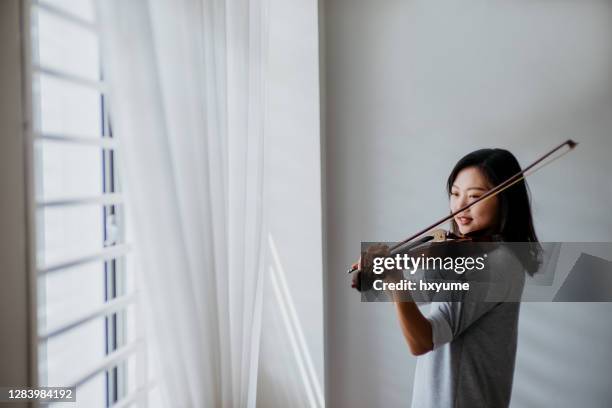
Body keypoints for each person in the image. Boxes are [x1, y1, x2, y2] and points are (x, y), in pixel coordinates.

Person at [354, 148, 541, 408]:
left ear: (504, 200)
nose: (460, 206)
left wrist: (394, 278)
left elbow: (421, 340)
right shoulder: (488, 256)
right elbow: (417, 296)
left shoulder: (491, 265)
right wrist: (384, 274)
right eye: (455, 194)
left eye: (475, 196)